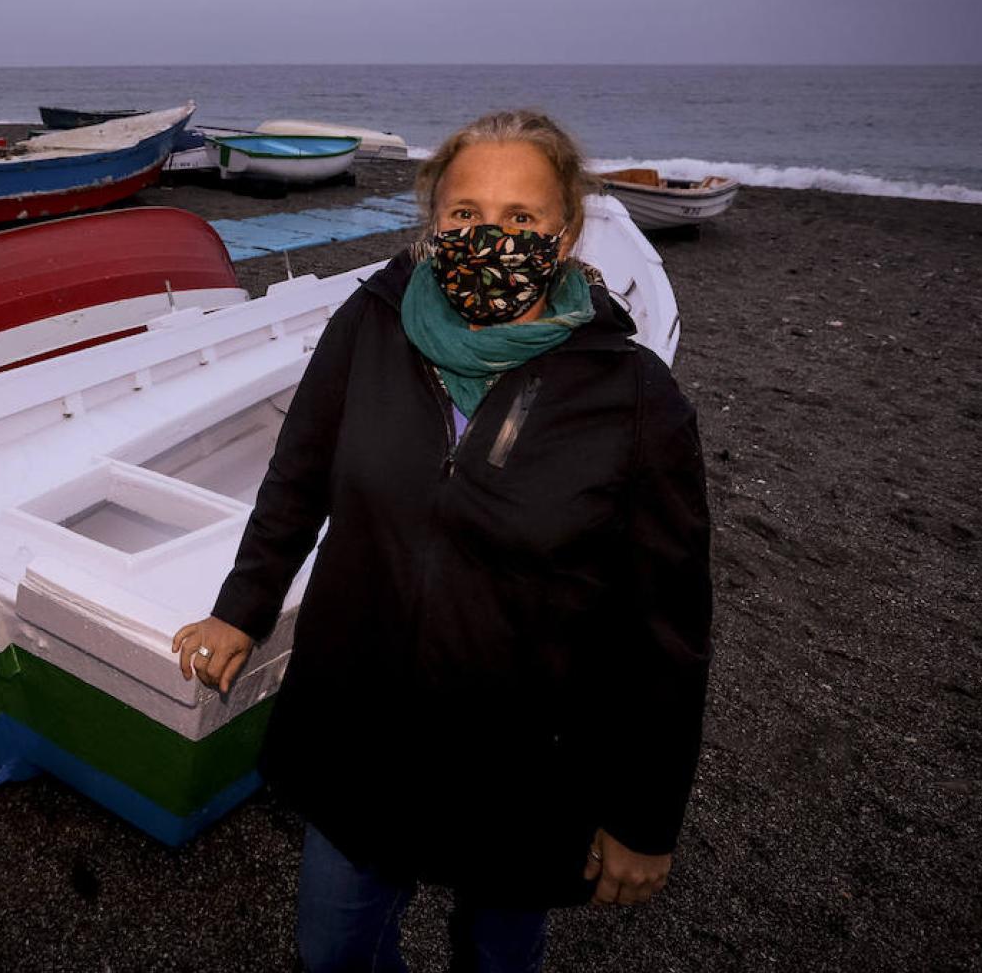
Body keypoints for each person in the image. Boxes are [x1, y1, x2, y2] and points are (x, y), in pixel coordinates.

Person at [173, 109, 712, 972]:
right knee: (333, 951)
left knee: (498, 953)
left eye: (520, 219)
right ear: (435, 222)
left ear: (567, 232)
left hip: (526, 764)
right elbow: (298, 478)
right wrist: (242, 609)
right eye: (465, 216)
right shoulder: (371, 325)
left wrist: (644, 817)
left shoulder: (637, 398)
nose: (488, 238)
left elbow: (668, 629)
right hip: (363, 734)